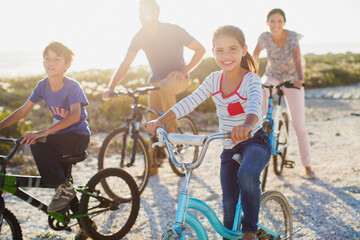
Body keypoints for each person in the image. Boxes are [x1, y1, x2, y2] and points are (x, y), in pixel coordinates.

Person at [147, 25, 271, 240]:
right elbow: (189, 102)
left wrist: (247, 126)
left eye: (232, 49)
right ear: (213, 53)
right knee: (229, 204)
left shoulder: (250, 79)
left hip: (255, 141)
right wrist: (161, 120)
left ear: (244, 50)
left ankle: (250, 232)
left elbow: (254, 108)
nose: (226, 56)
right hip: (228, 145)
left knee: (247, 174)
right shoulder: (213, 80)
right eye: (220, 50)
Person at [102, 0, 205, 176]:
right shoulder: (140, 35)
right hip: (156, 83)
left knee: (165, 88)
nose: (142, 16)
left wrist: (184, 70)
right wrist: (111, 87)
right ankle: (153, 167)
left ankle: (172, 131)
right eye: (140, 12)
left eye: (146, 12)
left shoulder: (172, 29)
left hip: (177, 79)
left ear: (156, 13)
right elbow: (126, 62)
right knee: (152, 122)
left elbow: (200, 49)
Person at [0, 42, 91, 213]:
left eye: (57, 59)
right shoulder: (42, 86)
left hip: (77, 138)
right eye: (47, 58)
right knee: (60, 183)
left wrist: (44, 132)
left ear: (67, 65)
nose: (51, 62)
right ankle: (84, 223)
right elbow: (23, 111)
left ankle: (64, 188)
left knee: (37, 142)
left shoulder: (72, 87)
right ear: (43, 62)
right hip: (59, 138)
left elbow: (75, 115)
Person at [252, 8, 316, 179]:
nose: (276, 25)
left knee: (299, 125)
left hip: (292, 78)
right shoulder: (264, 37)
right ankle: (263, 119)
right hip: (273, 74)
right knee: (260, 86)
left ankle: (308, 166)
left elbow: (297, 59)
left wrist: (300, 79)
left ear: (284, 23)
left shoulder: (292, 37)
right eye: (272, 21)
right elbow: (255, 56)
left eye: (279, 21)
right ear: (267, 23)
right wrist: (250, 74)